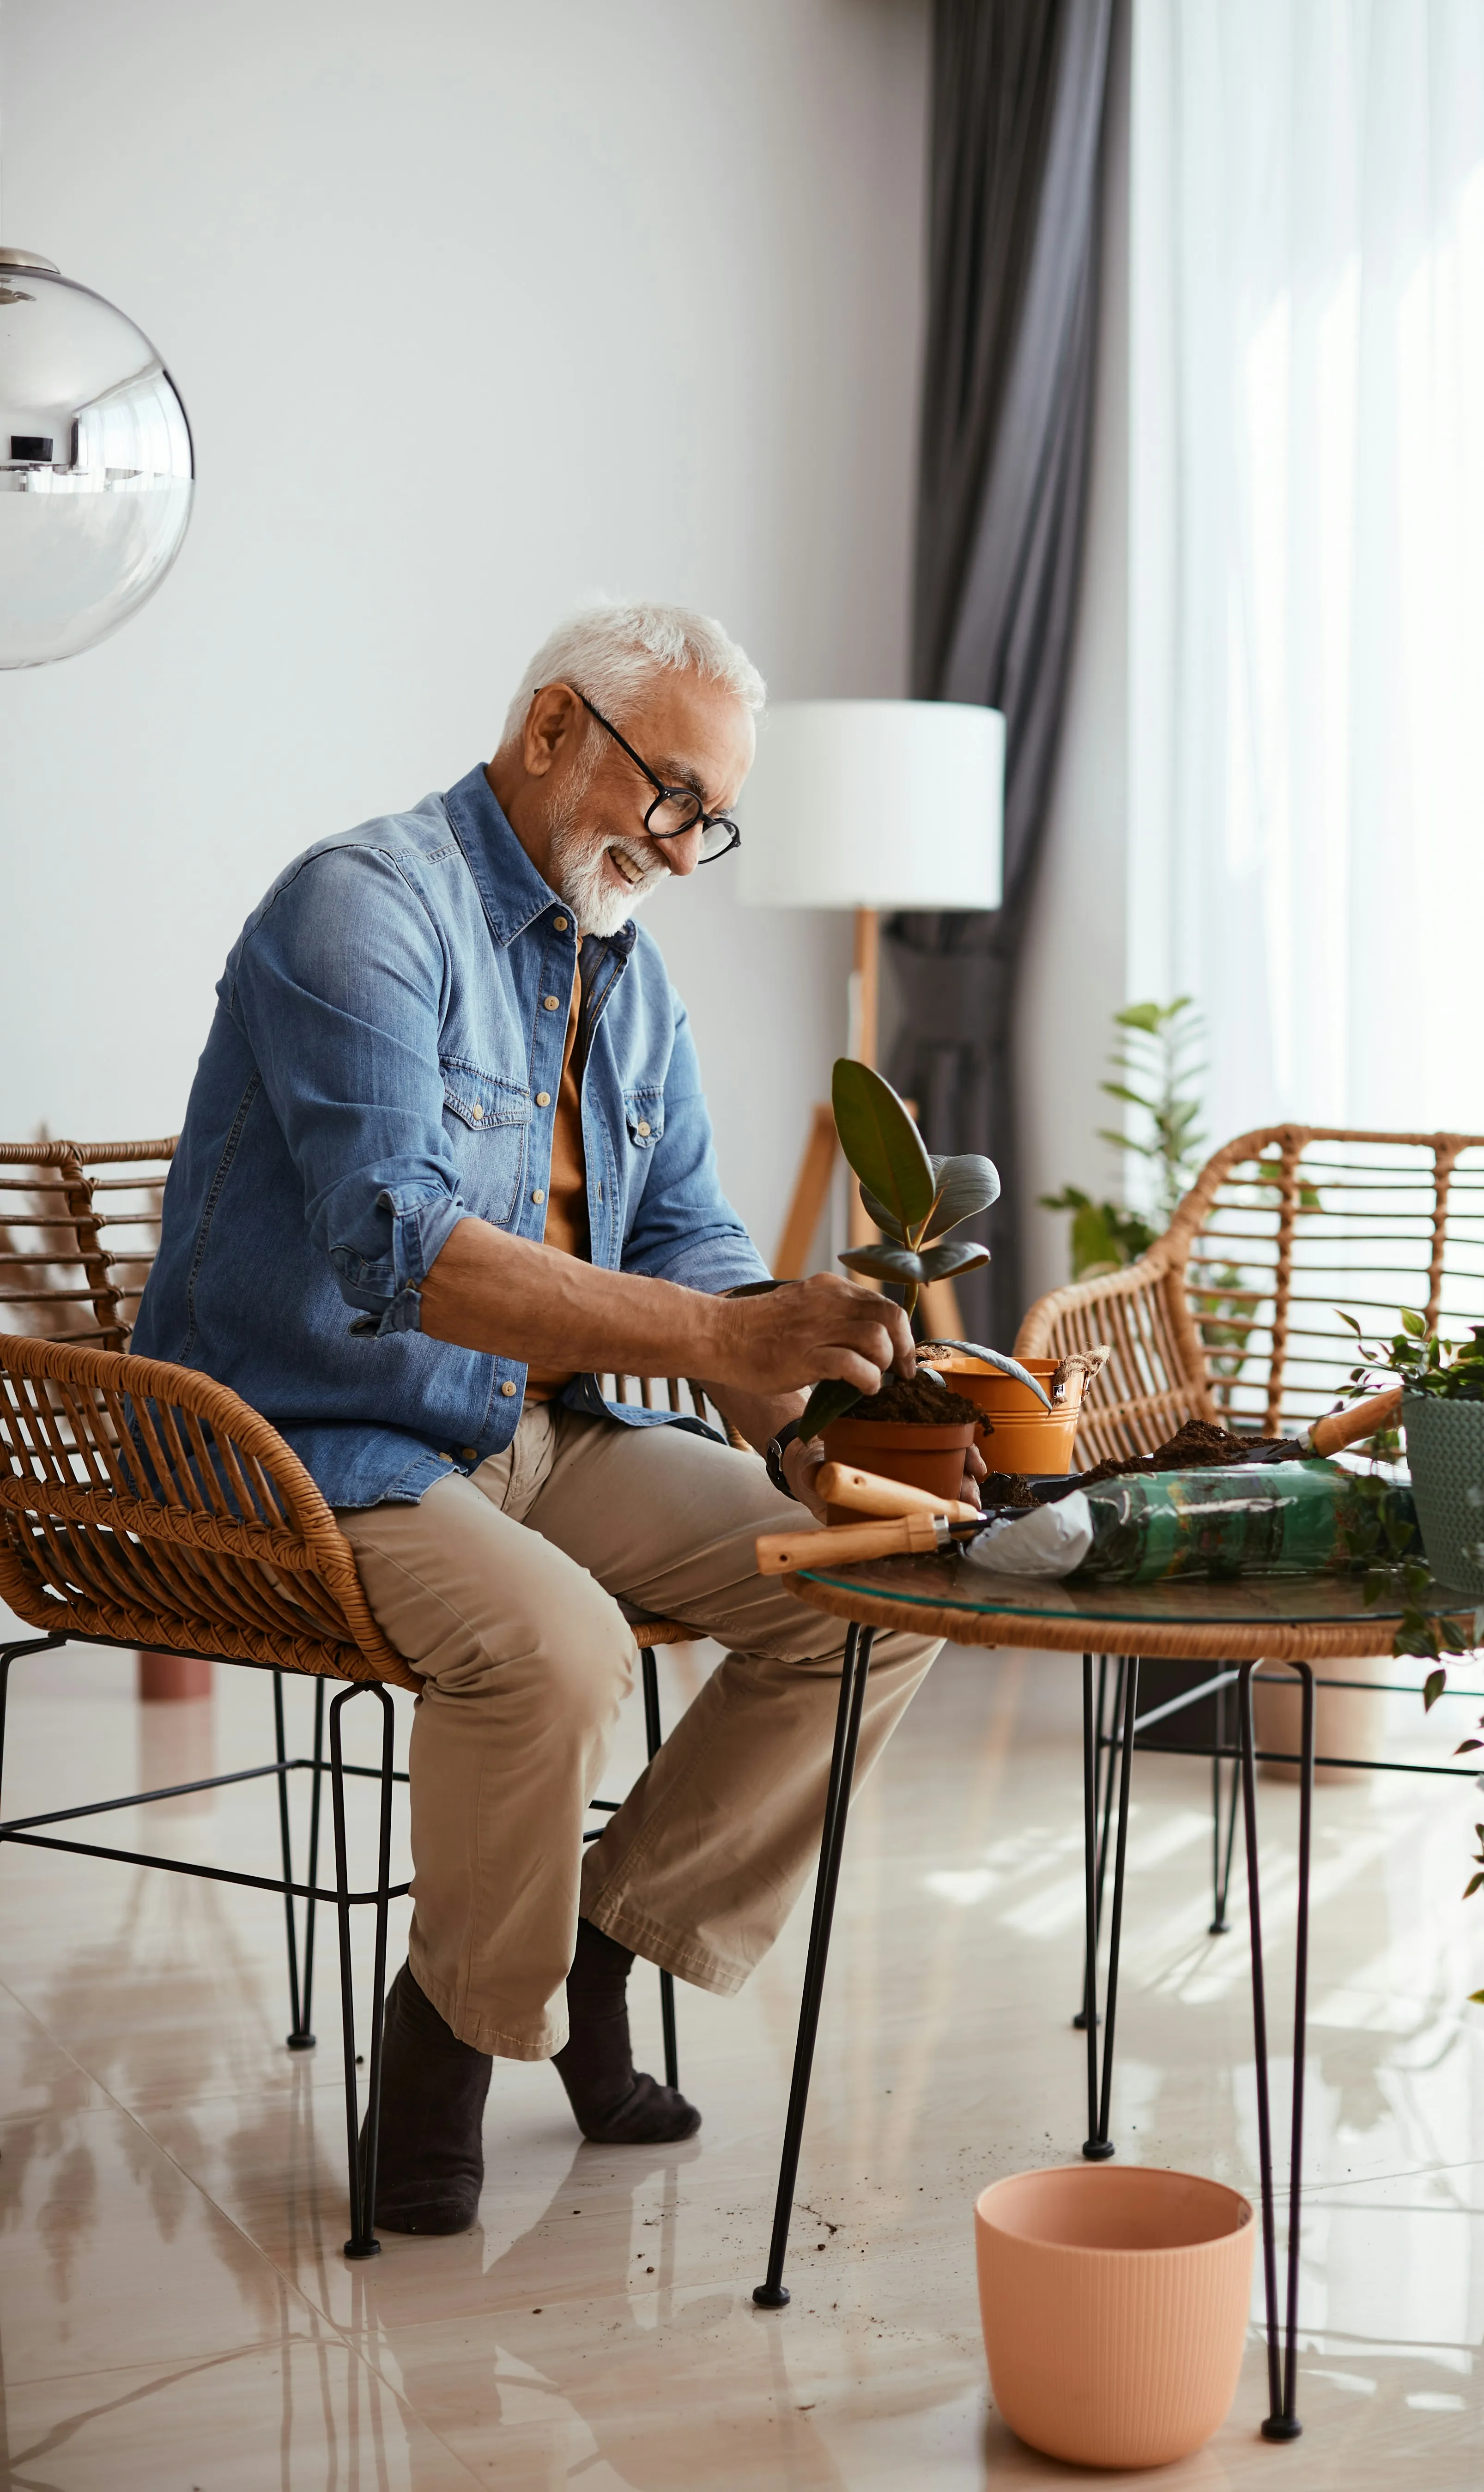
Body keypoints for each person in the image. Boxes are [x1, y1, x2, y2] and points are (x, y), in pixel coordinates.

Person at [132, 600, 964, 2233]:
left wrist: (801, 1419)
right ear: (550, 731)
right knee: (559, 1650)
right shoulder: (359, 910)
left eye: (711, 822)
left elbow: (692, 1243)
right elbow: (407, 1254)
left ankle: (604, 1952)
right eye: (672, 795)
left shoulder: (631, 983)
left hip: (544, 1440)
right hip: (319, 1443)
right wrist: (730, 1329)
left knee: (883, 1585)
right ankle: (444, 2045)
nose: (681, 844)